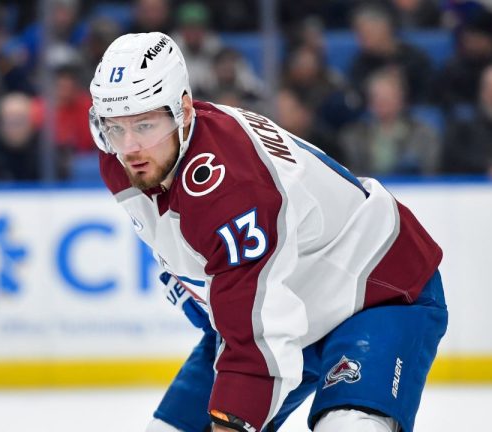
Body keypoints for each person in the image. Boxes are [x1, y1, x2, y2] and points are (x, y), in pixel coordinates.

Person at [90, 32, 447, 432]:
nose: (130, 147)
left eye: (144, 124)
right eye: (114, 127)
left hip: (377, 290)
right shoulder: (121, 156)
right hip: (284, 299)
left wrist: (232, 417)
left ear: (184, 111)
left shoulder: (232, 189)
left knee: (349, 426)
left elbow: (258, 341)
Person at [339, 68, 440, 176]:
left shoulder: (423, 134)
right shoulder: (353, 136)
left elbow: (429, 173)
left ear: (401, 99)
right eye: (376, 97)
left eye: (387, 97)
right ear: (369, 101)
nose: (381, 102)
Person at [349, 4, 434, 104]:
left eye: (367, 33)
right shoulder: (360, 63)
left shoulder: (415, 59)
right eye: (359, 34)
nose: (361, 40)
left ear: (385, 29)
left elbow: (428, 93)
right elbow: (356, 96)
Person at [0, 93, 40, 182]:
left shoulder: (44, 151)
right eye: (9, 121)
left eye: (20, 121)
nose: (14, 128)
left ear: (31, 123)